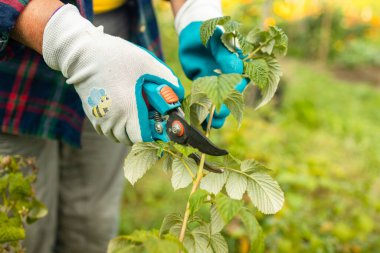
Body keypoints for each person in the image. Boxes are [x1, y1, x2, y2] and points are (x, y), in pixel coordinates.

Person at [0, 0, 247, 252]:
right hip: (14, 54)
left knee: (92, 222)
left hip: (118, 42)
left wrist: (195, 10)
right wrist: (68, 41)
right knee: (19, 228)